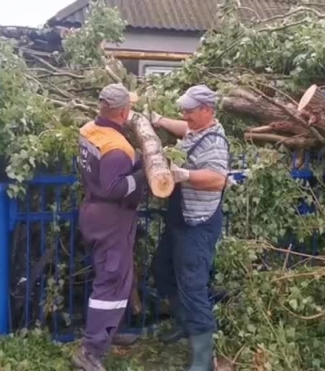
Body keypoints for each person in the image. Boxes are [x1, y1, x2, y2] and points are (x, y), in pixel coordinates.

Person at [150, 84, 230, 371]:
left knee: (193, 285)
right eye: (182, 110)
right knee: (162, 269)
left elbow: (218, 179)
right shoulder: (196, 130)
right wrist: (158, 120)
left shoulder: (215, 143)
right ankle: (184, 324)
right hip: (179, 217)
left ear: (207, 111)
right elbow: (184, 129)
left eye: (189, 110)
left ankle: (202, 359)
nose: (184, 114)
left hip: (198, 223)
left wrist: (184, 174)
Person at [72, 83, 148, 371]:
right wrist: (140, 176)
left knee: (115, 276)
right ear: (124, 112)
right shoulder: (117, 147)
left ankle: (108, 333)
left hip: (94, 211)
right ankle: (90, 352)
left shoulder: (89, 130)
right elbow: (115, 186)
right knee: (112, 280)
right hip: (112, 217)